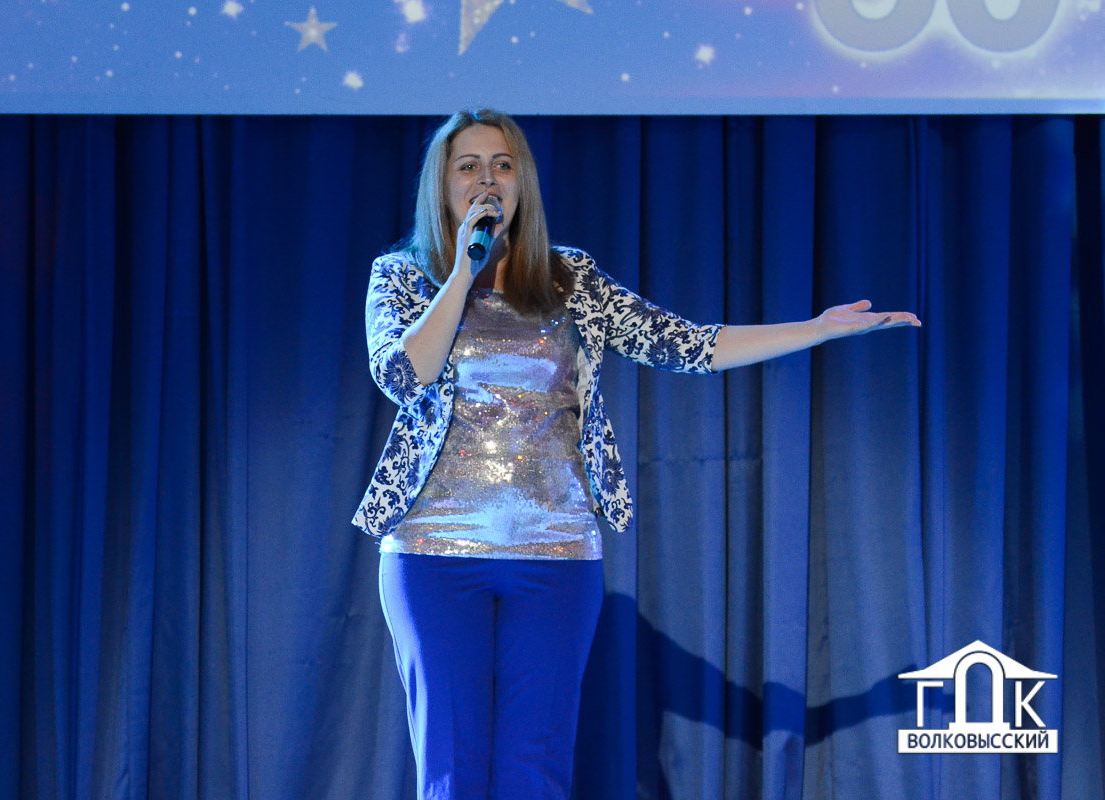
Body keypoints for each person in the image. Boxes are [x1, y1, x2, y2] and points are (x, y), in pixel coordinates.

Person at [351, 109, 920, 800]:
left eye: (502, 164)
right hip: (431, 553)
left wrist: (817, 329)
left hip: (557, 552)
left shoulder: (571, 279)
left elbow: (688, 344)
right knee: (450, 770)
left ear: (523, 181)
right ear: (441, 186)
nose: (487, 180)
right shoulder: (401, 277)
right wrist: (462, 274)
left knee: (535, 769)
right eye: (467, 166)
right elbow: (402, 374)